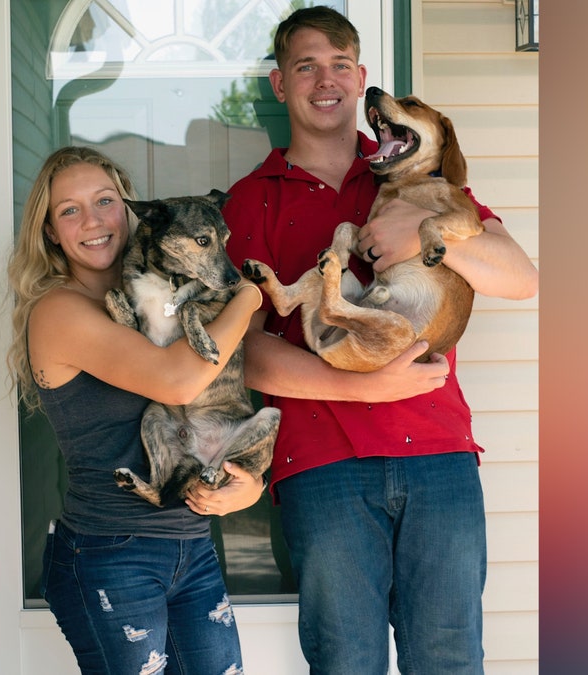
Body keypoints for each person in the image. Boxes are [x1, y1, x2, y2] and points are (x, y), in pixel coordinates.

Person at [222, 7, 539, 674]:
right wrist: (359, 384)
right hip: (322, 466)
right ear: (281, 85)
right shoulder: (253, 201)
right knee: (346, 663)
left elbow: (520, 276)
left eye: (340, 65)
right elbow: (247, 351)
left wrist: (429, 237)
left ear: (361, 77)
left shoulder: (414, 177)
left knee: (450, 660)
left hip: (438, 456)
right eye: (306, 66)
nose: (325, 80)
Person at [7, 146, 266, 675]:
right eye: (69, 210)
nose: (93, 220)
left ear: (130, 212)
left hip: (191, 547)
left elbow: (230, 387)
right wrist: (248, 299)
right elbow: (177, 380)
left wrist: (250, 486)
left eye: (105, 201)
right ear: (52, 231)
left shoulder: (167, 302)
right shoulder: (59, 312)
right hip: (111, 552)